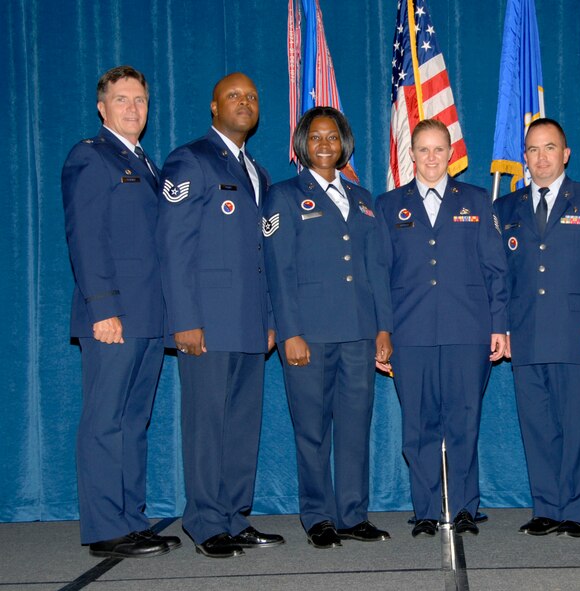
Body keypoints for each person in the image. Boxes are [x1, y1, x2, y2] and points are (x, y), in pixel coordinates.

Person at [157, 72, 284, 558]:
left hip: (251, 324)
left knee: (242, 426)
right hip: (206, 323)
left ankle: (234, 515)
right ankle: (206, 521)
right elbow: (174, 246)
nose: (245, 102)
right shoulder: (190, 160)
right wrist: (184, 320)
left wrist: (271, 317)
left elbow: (262, 255)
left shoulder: (258, 171)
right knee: (207, 424)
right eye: (234, 96)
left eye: (252, 96)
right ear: (214, 106)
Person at [263, 107, 394, 549]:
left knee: (356, 426)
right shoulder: (282, 196)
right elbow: (278, 271)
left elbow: (376, 269)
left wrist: (383, 327)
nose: (324, 144)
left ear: (344, 144)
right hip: (309, 336)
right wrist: (289, 332)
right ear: (302, 145)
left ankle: (353, 514)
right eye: (315, 137)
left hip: (359, 332)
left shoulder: (362, 199)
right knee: (312, 430)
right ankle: (318, 516)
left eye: (332, 137)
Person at [62, 65, 179, 559]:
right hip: (113, 317)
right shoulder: (91, 157)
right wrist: (102, 309)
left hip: (149, 317)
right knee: (105, 420)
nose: (134, 108)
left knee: (134, 421)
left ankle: (132, 519)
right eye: (124, 99)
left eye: (141, 100)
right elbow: (86, 239)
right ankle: (105, 527)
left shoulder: (146, 163)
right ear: (102, 106)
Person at [375, 119, 508, 537]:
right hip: (410, 333)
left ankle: (467, 507)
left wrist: (499, 325)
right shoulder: (388, 205)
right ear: (410, 154)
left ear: (450, 154)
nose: (431, 158)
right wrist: (384, 331)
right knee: (417, 426)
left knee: (465, 422)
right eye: (423, 150)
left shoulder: (477, 199)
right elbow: (379, 275)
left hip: (467, 331)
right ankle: (427, 509)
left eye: (438, 149)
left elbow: (495, 269)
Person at [494, 118, 580, 537]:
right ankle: (546, 507)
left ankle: (576, 511)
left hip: (577, 333)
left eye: (550, 148)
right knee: (537, 427)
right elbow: (501, 278)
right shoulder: (505, 209)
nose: (541, 157)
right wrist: (502, 327)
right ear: (523, 157)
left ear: (565, 154)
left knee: (576, 426)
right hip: (525, 335)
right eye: (532, 149)